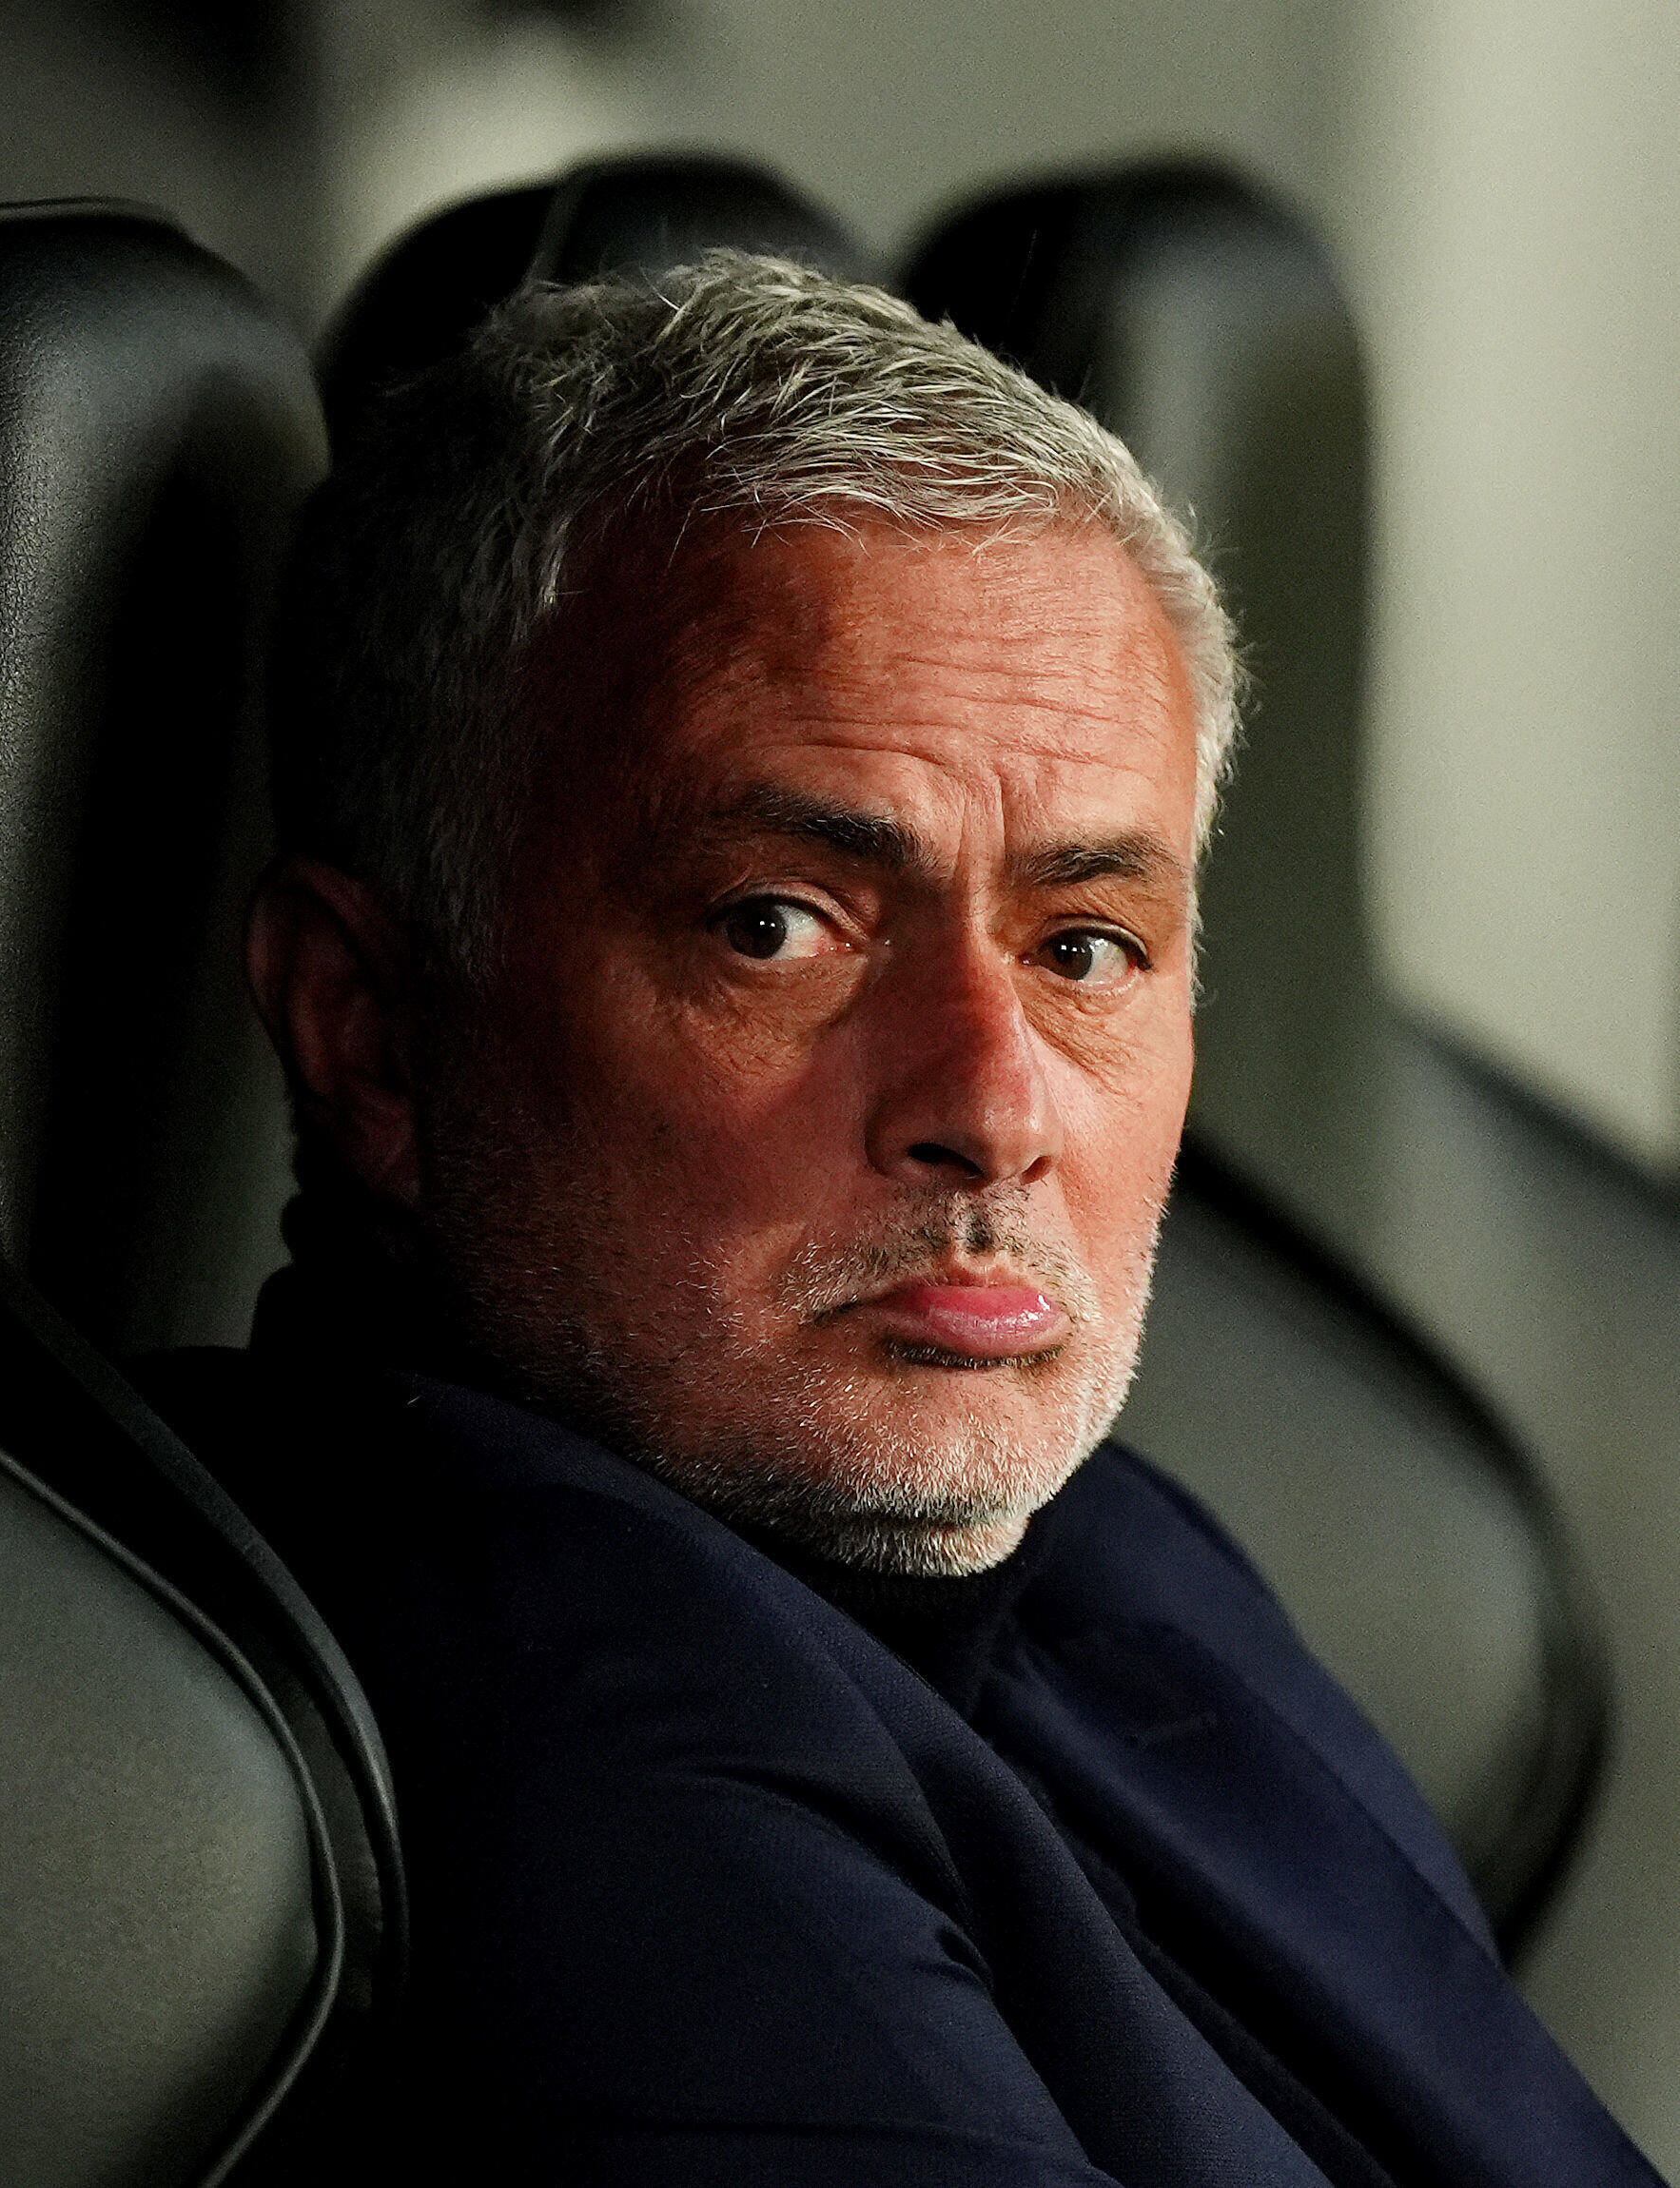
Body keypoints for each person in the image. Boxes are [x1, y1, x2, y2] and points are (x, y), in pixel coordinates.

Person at [159, 251, 1662, 2186]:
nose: (991, 1102)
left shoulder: (1070, 1552)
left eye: (1084, 943)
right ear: (365, 1035)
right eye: (774, 925)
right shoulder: (589, 1751)